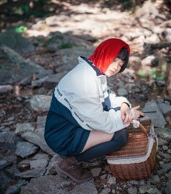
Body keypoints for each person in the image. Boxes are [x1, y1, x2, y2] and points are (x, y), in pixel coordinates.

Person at [44, 38, 144, 183]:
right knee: (120, 136)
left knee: (118, 116)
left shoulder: (93, 70)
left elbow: (108, 97)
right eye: (114, 60)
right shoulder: (85, 80)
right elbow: (102, 122)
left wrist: (124, 105)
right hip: (63, 135)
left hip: (73, 125)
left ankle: (88, 147)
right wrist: (130, 116)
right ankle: (71, 163)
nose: (116, 67)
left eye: (120, 64)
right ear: (104, 53)